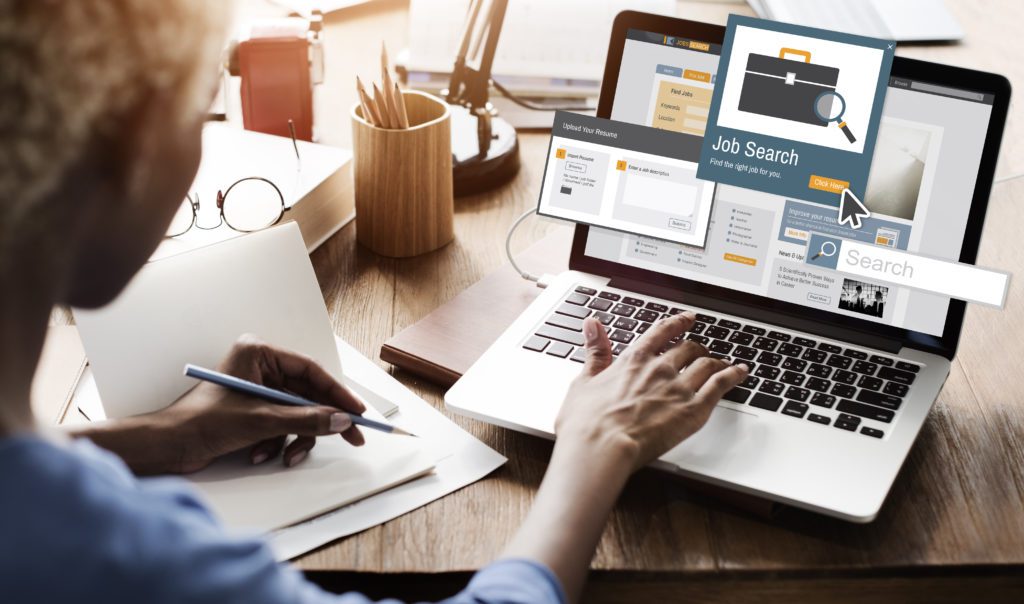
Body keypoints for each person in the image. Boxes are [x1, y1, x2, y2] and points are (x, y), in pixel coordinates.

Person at [0, 2, 747, 602]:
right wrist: (595, 447)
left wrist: (163, 436)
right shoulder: (131, 559)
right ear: (127, 151)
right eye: (201, 112)